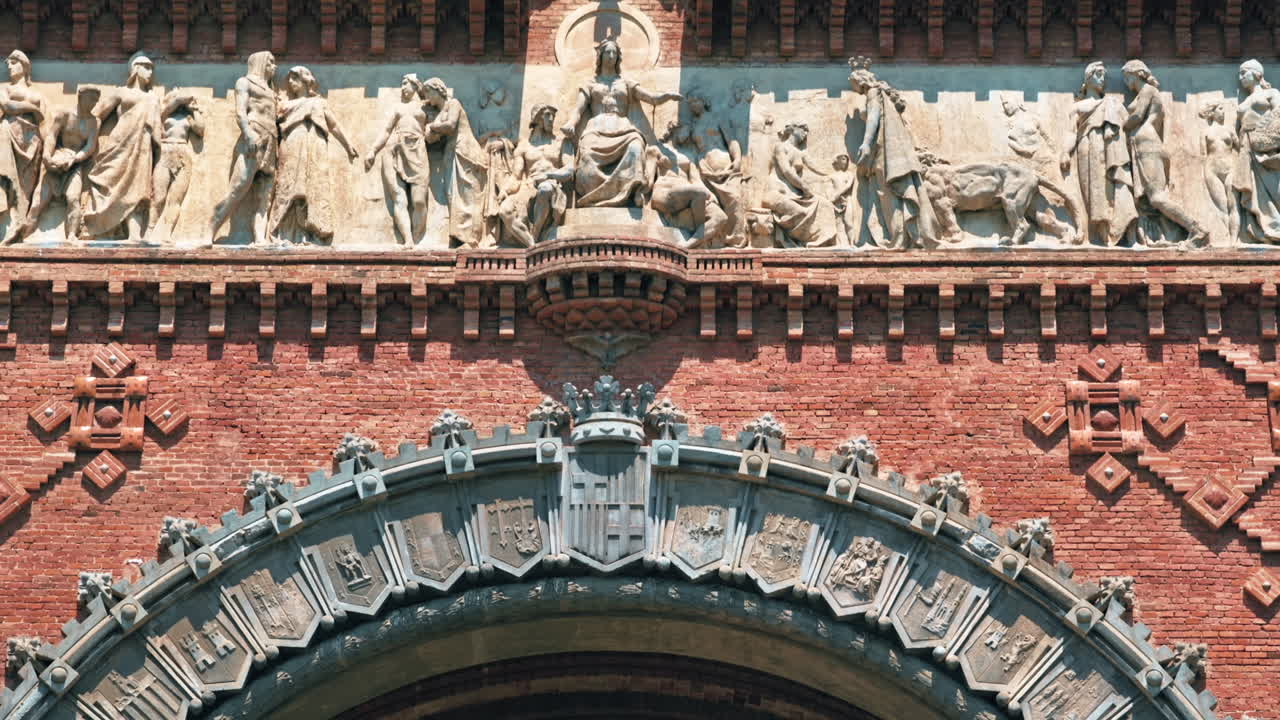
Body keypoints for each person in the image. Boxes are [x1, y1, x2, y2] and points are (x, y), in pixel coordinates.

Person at [560, 33, 681, 208]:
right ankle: (593, 195)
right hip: (596, 129)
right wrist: (571, 124)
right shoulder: (590, 83)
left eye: (614, 53)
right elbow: (578, 109)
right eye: (607, 53)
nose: (611, 56)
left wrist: (666, 96)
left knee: (636, 146)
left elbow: (650, 98)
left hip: (623, 128)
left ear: (618, 58)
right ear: (600, 56)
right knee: (586, 154)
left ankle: (634, 190)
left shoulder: (626, 82)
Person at [847, 56, 938, 249]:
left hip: (885, 154)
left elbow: (873, 117)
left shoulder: (873, 93)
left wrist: (866, 143)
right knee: (895, 189)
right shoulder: (885, 96)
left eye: (852, 81)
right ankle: (908, 234)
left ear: (860, 80)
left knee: (887, 190)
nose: (852, 85)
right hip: (895, 152)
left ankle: (898, 237)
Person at [1120, 60, 1207, 247]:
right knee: (1148, 200)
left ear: (1137, 73)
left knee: (1157, 197)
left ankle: (1197, 229)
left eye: (1127, 76)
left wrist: (1117, 124)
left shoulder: (1148, 90)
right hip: (1142, 144)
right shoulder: (1145, 92)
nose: (1126, 82)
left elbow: (1137, 116)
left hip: (1147, 143)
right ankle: (1165, 235)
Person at [268, 66, 357, 245]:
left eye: (295, 78)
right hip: (292, 145)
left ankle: (310, 233)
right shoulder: (284, 106)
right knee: (289, 185)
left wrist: (347, 145)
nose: (290, 82)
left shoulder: (318, 103)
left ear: (305, 81)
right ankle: (286, 234)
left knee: (312, 189)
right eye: (290, 79)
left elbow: (333, 125)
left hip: (314, 147)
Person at [82, 53, 160, 243]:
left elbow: (158, 129)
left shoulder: (152, 98)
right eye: (146, 67)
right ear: (135, 68)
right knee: (107, 181)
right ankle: (95, 227)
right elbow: (97, 115)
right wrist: (90, 140)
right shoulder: (121, 92)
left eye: (151, 68)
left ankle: (134, 234)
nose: (150, 72)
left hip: (142, 147)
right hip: (119, 144)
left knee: (138, 190)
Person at [8, 86, 100, 243]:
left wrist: (74, 159)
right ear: (80, 96)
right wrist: (47, 156)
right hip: (56, 161)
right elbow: (51, 136)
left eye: (96, 101)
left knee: (73, 199)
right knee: (37, 204)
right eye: (91, 99)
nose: (93, 103)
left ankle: (71, 236)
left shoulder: (94, 122)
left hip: (74, 165)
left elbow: (90, 147)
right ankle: (21, 237)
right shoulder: (64, 114)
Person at [1061, 62, 1137, 247]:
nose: (1102, 79)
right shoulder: (1078, 107)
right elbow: (1071, 132)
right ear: (1088, 78)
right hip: (1087, 148)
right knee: (1095, 194)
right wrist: (1065, 152)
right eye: (1098, 74)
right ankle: (1104, 237)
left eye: (1103, 75)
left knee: (1117, 188)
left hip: (1113, 149)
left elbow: (1129, 127)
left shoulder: (1113, 104)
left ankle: (1124, 233)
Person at [209, 51, 278, 246]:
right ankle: (211, 228)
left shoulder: (271, 89)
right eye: (270, 63)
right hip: (254, 137)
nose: (274, 67)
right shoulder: (244, 82)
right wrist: (248, 134)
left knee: (266, 195)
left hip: (271, 140)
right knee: (238, 187)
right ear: (260, 63)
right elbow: (240, 112)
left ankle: (260, 238)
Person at [492, 104, 572, 246]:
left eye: (553, 116)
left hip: (552, 185)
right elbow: (516, 177)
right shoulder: (524, 146)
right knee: (505, 211)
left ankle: (535, 234)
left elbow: (570, 169)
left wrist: (550, 175)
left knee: (545, 188)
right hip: (529, 187)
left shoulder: (560, 142)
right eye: (547, 115)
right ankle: (532, 245)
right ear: (537, 118)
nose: (552, 119)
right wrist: (505, 190)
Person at [421, 77, 487, 248]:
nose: (427, 97)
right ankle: (459, 236)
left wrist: (431, 127)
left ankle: (472, 239)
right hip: (451, 154)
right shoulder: (439, 114)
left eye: (428, 92)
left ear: (438, 90)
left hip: (465, 152)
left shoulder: (453, 104)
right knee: (454, 196)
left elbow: (450, 125)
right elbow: (432, 139)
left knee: (468, 195)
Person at [365, 74, 429, 247]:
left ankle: (417, 237)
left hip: (418, 151)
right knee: (400, 199)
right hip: (395, 150)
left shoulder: (426, 107)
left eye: (405, 83)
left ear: (415, 85)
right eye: (402, 84)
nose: (402, 87)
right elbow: (386, 130)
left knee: (419, 201)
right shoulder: (398, 108)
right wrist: (373, 150)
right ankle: (408, 240)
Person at [763, 122, 844, 248]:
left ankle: (822, 239)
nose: (805, 134)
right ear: (793, 129)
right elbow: (786, 170)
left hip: (794, 195)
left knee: (825, 204)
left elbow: (814, 167)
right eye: (803, 129)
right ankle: (805, 239)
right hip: (777, 192)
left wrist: (829, 175)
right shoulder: (780, 147)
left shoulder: (799, 153)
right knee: (800, 212)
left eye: (807, 131)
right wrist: (804, 186)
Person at [685, 91, 745, 245]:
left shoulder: (718, 118)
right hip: (704, 167)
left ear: (704, 101)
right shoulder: (693, 125)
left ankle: (735, 237)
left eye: (695, 101)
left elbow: (731, 140)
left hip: (723, 164)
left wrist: (737, 159)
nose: (692, 106)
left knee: (734, 198)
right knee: (711, 202)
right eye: (690, 103)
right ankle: (716, 237)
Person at [0, 50, 45, 244]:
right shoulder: (4, 89)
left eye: (14, 62)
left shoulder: (36, 94)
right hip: (8, 134)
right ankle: (7, 226)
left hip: (32, 141)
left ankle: (19, 223)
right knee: (7, 179)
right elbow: (7, 107)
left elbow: (46, 123)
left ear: (25, 66)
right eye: (8, 63)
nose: (9, 66)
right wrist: (32, 108)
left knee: (26, 187)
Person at [1233, 59, 1280, 244]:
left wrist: (1266, 135)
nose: (1240, 77)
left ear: (1256, 74)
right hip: (1246, 147)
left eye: (1244, 72)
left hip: (1266, 146)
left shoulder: (1271, 93)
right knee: (1253, 190)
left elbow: (1279, 114)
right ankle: (1265, 228)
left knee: (1273, 187)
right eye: (1240, 73)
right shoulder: (1245, 101)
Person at [149, 90, 205, 239]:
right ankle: (149, 231)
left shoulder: (187, 117)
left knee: (176, 199)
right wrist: (180, 99)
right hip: (165, 151)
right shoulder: (164, 114)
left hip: (183, 153)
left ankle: (167, 233)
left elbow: (200, 129)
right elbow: (164, 111)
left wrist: (194, 109)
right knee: (159, 197)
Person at [1199, 100, 1240, 242]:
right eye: (1220, 109)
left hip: (1230, 167)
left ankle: (1234, 240)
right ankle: (1226, 237)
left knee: (1233, 204)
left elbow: (1241, 148)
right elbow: (1203, 155)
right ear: (1213, 112)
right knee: (1222, 207)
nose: (1223, 112)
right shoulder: (1205, 132)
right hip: (1212, 170)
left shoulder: (1229, 130)